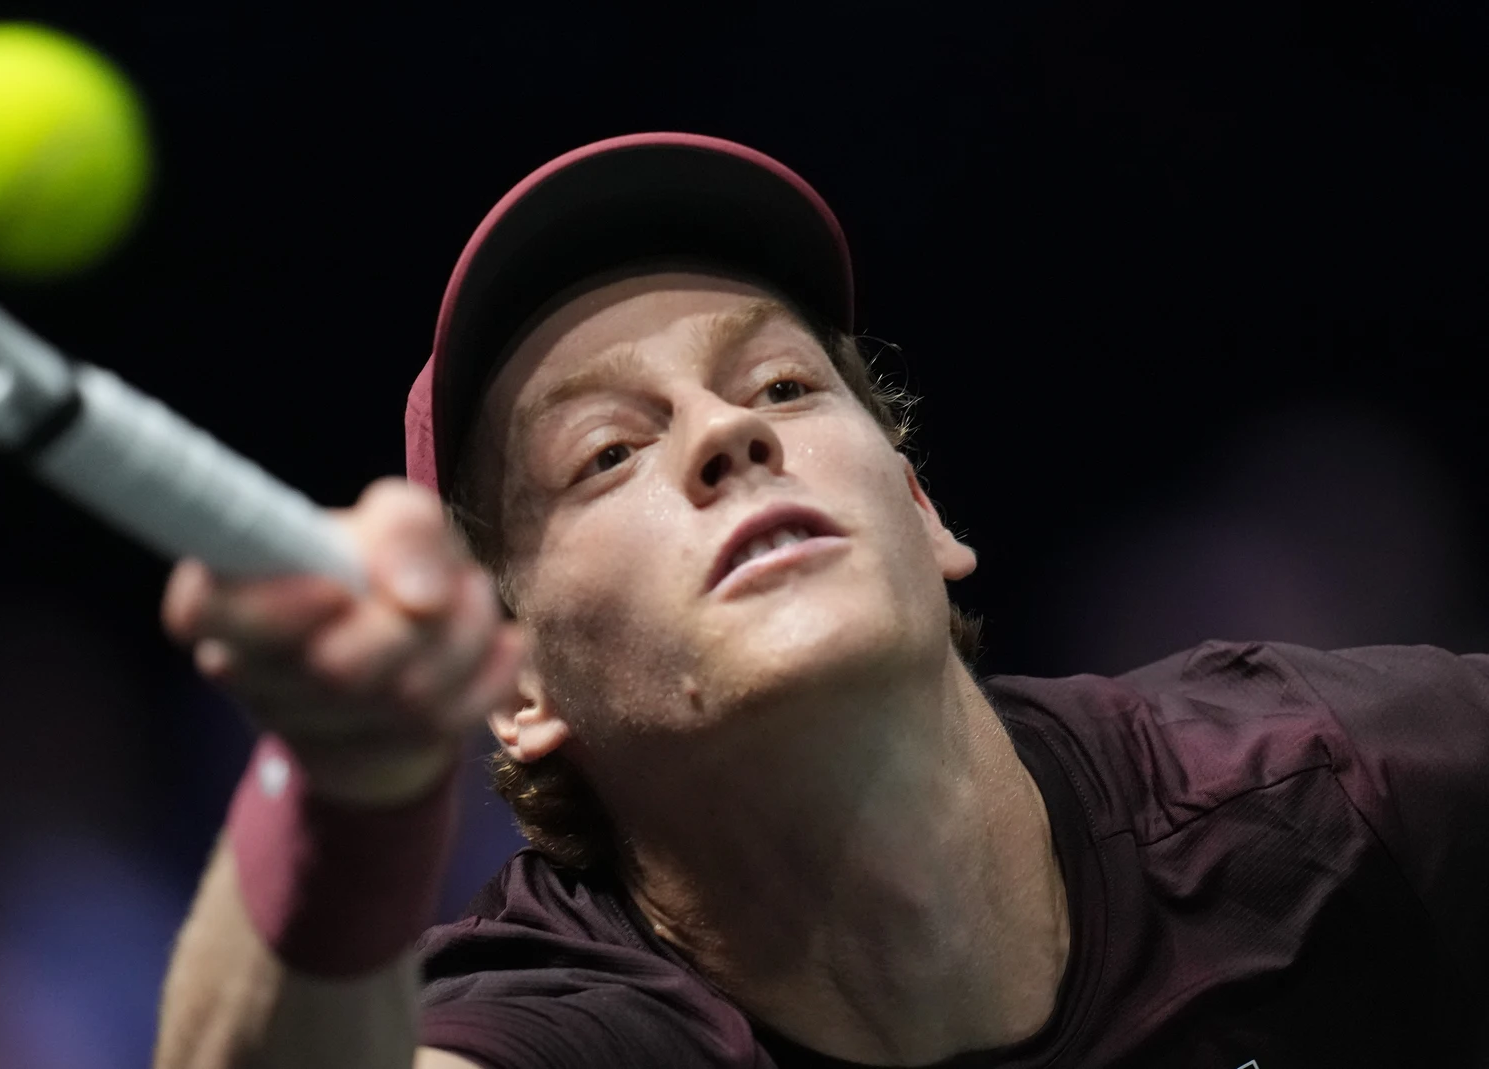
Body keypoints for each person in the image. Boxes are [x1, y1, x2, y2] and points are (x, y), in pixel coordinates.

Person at [151, 133, 1489, 1068]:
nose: (727, 436)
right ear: (521, 688)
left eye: (785, 386)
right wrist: (346, 781)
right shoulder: (573, 1026)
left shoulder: (1325, 796)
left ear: (922, 513)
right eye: (608, 452)